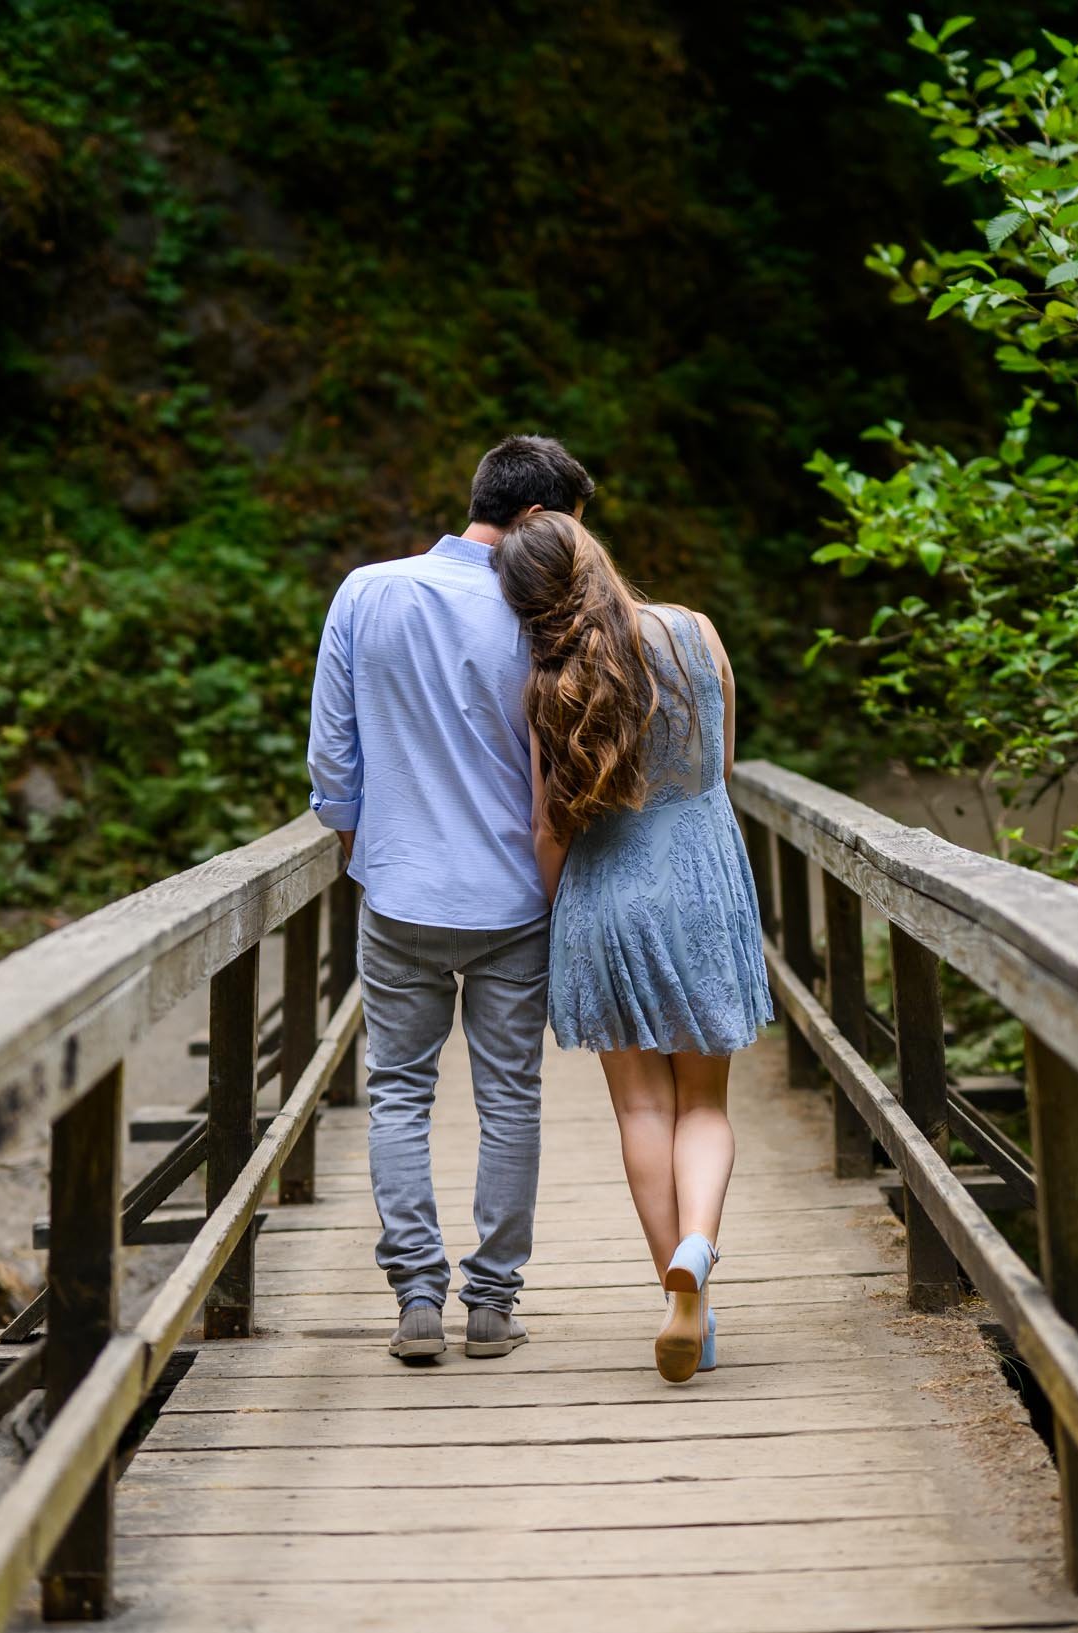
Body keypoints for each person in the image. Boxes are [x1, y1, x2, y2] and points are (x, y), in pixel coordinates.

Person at [306, 434, 596, 1364]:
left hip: (398, 892)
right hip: (515, 899)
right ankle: (492, 1302)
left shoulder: (366, 590)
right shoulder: (544, 608)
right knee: (510, 1099)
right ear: (540, 520)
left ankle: (416, 1296)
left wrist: (367, 845)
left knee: (398, 1090)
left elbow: (331, 756)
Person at [492, 511, 773, 1383]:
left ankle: (679, 1296)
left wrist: (555, 920)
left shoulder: (546, 683)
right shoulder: (693, 630)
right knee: (705, 1108)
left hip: (603, 899)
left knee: (641, 1112)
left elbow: (546, 828)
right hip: (698, 884)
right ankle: (698, 1251)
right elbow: (719, 771)